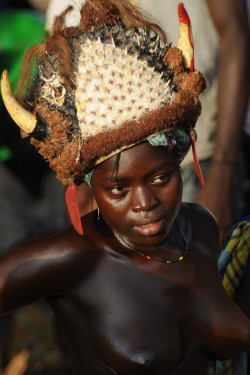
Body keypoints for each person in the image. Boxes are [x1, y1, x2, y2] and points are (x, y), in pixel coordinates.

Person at [1, 1, 250, 374]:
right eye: (119, 188)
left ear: (180, 160)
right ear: (90, 187)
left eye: (161, 178)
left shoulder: (200, 228)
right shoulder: (71, 260)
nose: (146, 203)